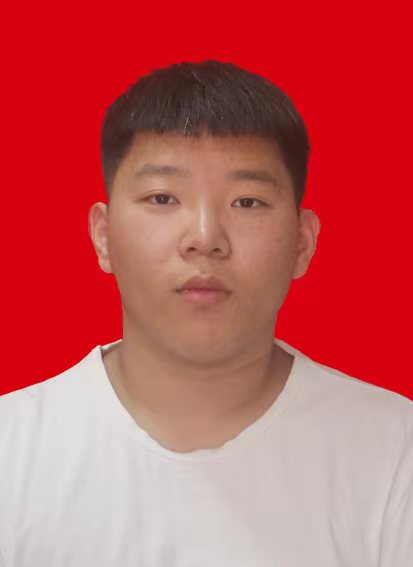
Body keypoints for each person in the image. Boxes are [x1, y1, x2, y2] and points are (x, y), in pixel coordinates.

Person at [0, 60, 412, 567]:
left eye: (247, 202)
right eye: (162, 197)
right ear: (103, 237)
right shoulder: (11, 451)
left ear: (303, 243)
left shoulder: (395, 452)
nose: (204, 238)